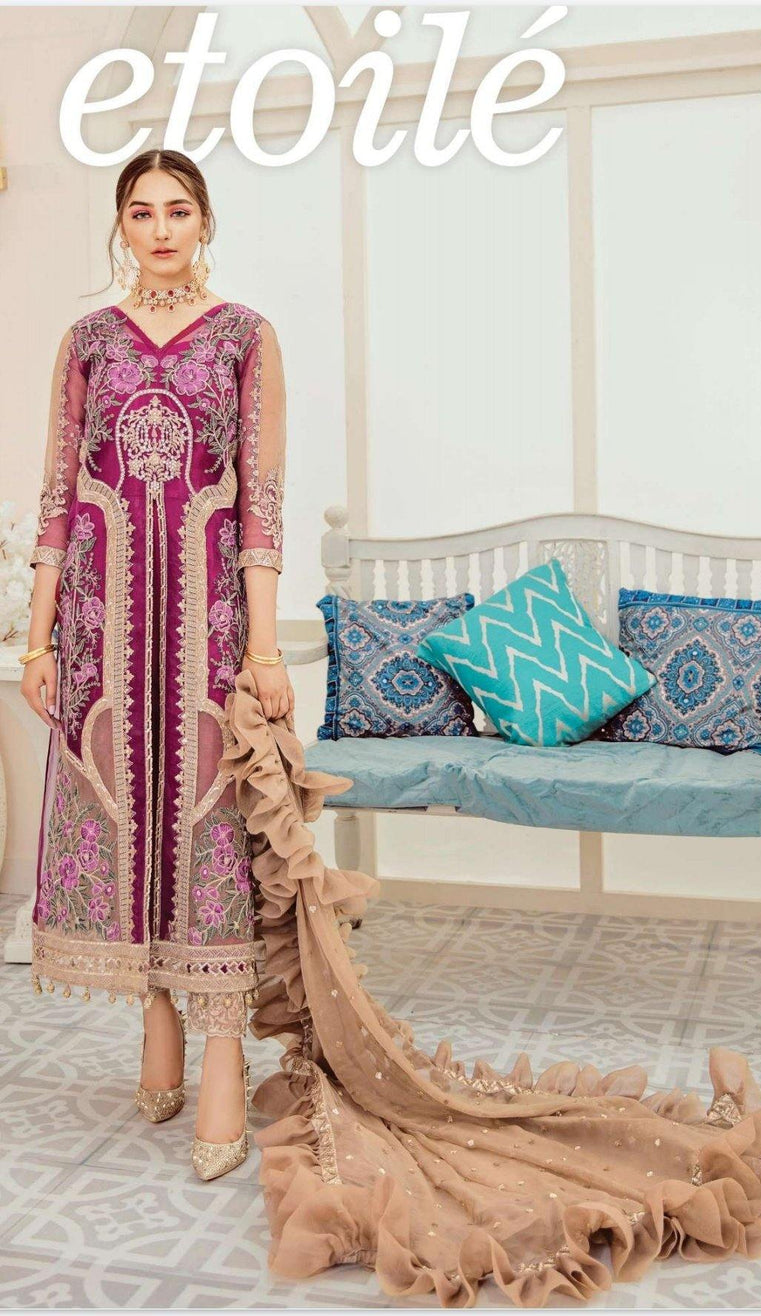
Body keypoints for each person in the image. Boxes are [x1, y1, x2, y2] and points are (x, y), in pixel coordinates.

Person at [19, 147, 293, 1180]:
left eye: (179, 210)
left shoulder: (244, 337)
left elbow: (259, 506)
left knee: (208, 821)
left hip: (209, 632)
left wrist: (263, 648)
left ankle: (221, 1047)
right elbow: (58, 498)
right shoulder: (89, 342)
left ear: (205, 220)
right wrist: (39, 638)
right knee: (125, 820)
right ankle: (157, 1014)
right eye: (143, 212)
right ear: (121, 226)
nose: (162, 228)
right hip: (102, 632)